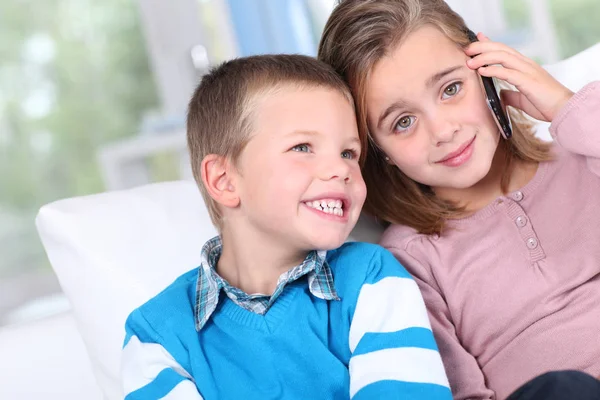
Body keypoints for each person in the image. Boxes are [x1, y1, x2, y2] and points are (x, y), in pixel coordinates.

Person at [119, 54, 452, 399]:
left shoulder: (372, 279)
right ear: (224, 180)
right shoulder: (155, 336)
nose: (340, 170)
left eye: (348, 153)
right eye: (303, 147)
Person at [318, 0, 600, 399]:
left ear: (488, 73)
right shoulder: (410, 260)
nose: (443, 130)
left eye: (451, 89)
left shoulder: (586, 153)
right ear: (375, 149)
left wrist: (565, 106)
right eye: (403, 122)